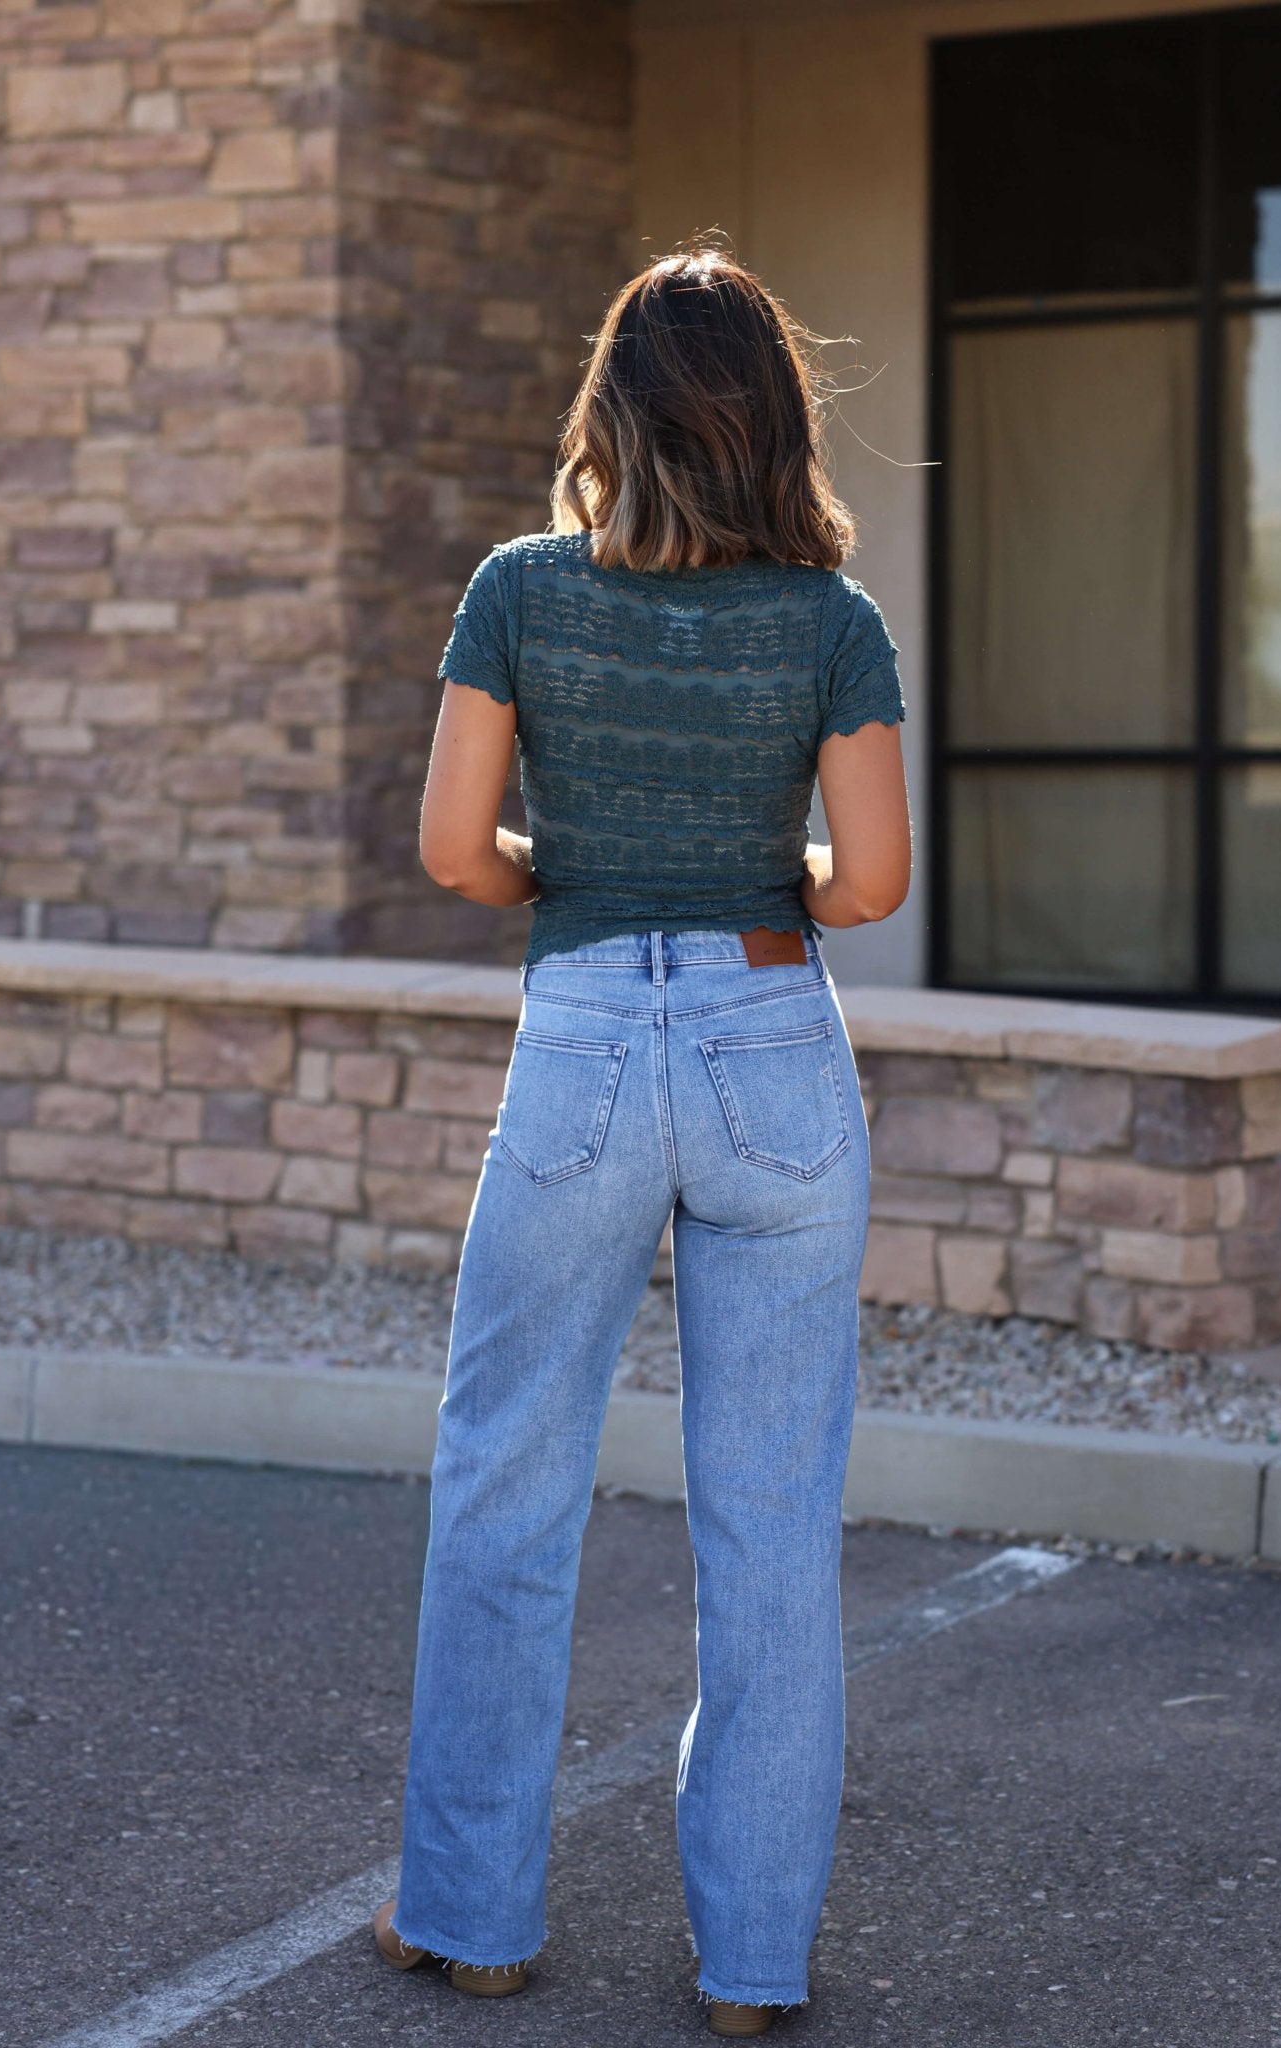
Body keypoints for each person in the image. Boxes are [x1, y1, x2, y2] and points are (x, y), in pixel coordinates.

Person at [372, 241, 913, 2038]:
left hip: (586, 1041)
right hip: (773, 1047)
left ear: (611, 408)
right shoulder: (831, 620)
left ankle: (470, 1920)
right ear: (772, 420)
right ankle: (751, 1970)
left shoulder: (519, 592)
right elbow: (873, 883)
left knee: (505, 1487)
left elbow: (452, 852)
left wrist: (578, 878)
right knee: (770, 1532)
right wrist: (766, 877)